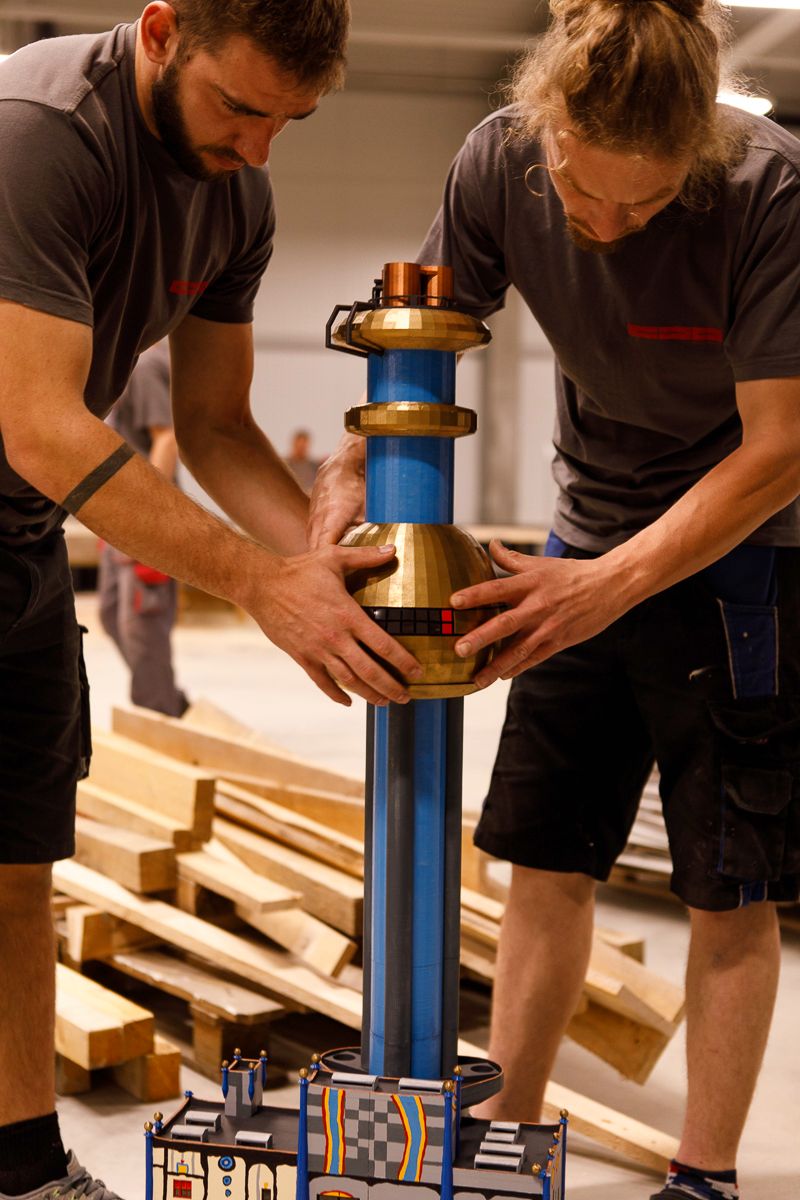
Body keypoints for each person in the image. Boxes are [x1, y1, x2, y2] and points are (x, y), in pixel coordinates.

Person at [309, 3, 800, 1198]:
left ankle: (704, 1175)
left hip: (743, 554)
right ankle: (507, 1130)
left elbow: (780, 447)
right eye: (587, 195)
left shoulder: (771, 189)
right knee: (544, 853)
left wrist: (613, 583)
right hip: (582, 532)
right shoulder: (498, 159)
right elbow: (419, 332)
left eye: (644, 205)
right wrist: (347, 473)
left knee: (724, 886)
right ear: (548, 128)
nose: (608, 226)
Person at [0, 3, 423, 1197]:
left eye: (292, 120)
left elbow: (221, 425)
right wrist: (258, 586)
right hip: (24, 478)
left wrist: (333, 569)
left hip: (17, 541)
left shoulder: (237, 191)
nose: (259, 149)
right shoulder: (39, 134)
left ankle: (21, 1166)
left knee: (17, 859)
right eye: (238, 107)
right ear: (159, 31)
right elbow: (37, 423)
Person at [98, 341, 189, 717]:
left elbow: (167, 438)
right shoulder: (119, 366)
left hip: (144, 516)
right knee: (110, 613)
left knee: (141, 623)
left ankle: (160, 714)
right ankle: (169, 699)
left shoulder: (144, 367)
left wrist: (144, 511)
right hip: (116, 513)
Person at [284, 427, 323, 493]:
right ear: (294, 444)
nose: (301, 448)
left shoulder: (314, 466)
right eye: (299, 445)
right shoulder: (285, 465)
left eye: (303, 446)